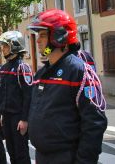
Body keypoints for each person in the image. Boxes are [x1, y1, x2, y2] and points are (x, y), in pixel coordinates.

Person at [27, 9, 107, 163]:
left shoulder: (79, 71)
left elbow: (94, 123)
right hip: (43, 156)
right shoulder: (42, 73)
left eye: (43, 35)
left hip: (67, 157)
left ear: (58, 37)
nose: (37, 40)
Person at [0, 31, 33, 164]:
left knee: (21, 153)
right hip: (7, 117)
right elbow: (1, 94)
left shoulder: (23, 67)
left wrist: (24, 119)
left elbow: (28, 95)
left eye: (6, 46)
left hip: (18, 117)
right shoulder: (4, 68)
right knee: (11, 152)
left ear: (15, 46)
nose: (3, 49)